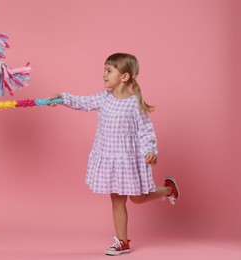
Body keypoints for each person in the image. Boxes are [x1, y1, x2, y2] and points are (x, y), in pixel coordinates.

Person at [48, 53, 180, 256]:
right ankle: (122, 242)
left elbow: (145, 131)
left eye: (109, 71)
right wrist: (62, 98)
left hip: (128, 161)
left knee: (137, 199)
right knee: (117, 201)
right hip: (109, 158)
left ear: (125, 76)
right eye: (104, 70)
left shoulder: (135, 104)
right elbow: (83, 102)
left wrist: (150, 150)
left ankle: (168, 190)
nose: (104, 75)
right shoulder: (104, 98)